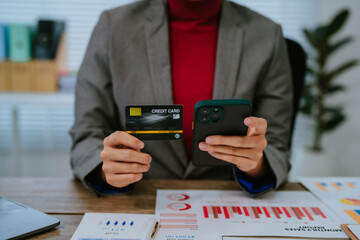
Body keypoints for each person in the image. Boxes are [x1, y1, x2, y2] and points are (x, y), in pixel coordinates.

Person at [70, 0, 293, 196]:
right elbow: (87, 134)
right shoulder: (114, 26)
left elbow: (277, 145)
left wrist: (256, 165)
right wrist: (106, 168)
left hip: (228, 197)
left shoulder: (267, 34)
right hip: (139, 195)